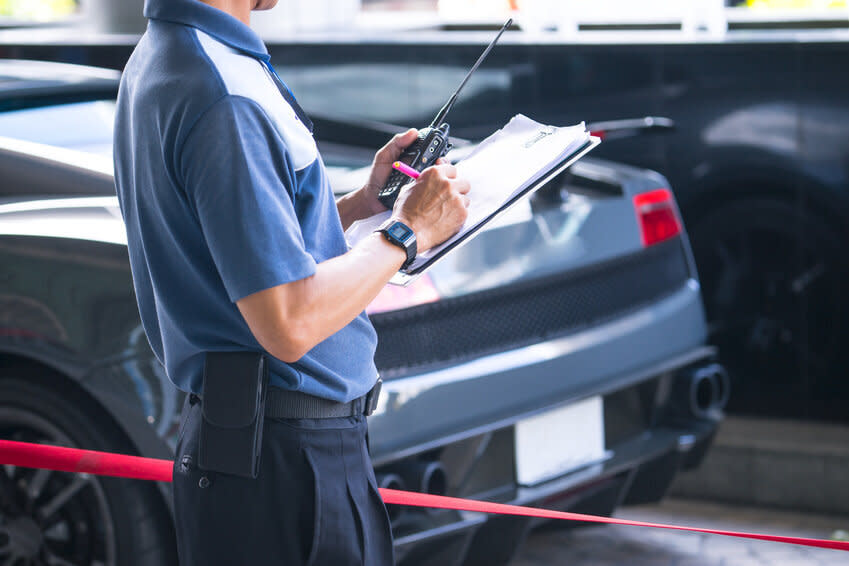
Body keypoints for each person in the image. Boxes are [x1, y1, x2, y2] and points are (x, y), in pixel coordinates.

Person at [112, 0, 470, 564]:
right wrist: (409, 231)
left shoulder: (171, 51)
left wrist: (356, 206)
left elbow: (241, 239)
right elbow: (289, 321)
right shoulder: (223, 93)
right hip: (289, 464)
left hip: (259, 450)